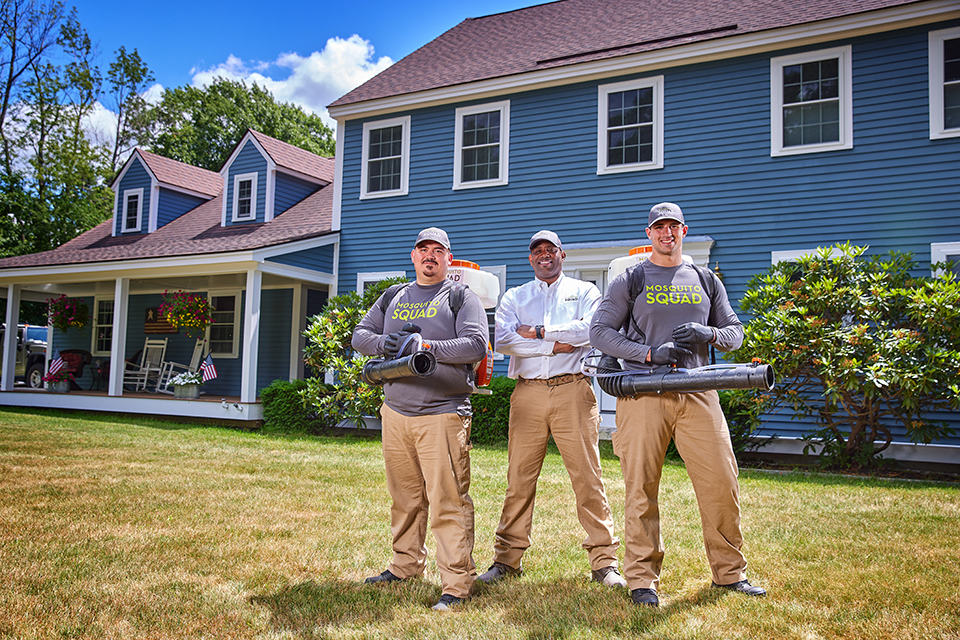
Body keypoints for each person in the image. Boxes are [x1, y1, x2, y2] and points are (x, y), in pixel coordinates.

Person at [589, 203, 765, 608]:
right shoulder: (630, 279)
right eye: (658, 227)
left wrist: (709, 332)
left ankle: (730, 573)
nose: (666, 233)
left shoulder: (705, 278)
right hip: (644, 393)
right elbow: (600, 333)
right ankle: (641, 580)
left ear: (684, 230)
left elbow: (735, 333)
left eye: (673, 227)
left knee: (721, 482)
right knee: (641, 489)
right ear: (649, 233)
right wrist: (650, 353)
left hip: (699, 391)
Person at [478, 230, 626, 589]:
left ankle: (604, 562)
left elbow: (591, 329)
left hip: (572, 389)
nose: (544, 256)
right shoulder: (515, 295)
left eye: (551, 250)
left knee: (588, 478)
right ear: (530, 259)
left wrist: (541, 332)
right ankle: (507, 560)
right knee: (519, 479)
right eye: (537, 252)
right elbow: (504, 339)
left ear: (562, 254)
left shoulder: (585, 291)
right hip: (527, 393)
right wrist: (555, 345)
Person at [352, 227, 489, 612]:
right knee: (405, 498)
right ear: (413, 256)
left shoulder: (461, 296)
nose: (430, 256)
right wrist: (386, 344)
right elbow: (360, 335)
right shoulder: (395, 295)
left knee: (448, 501)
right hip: (395, 412)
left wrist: (425, 346)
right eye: (423, 249)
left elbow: (476, 344)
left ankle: (457, 584)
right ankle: (404, 565)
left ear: (449, 258)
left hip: (442, 414)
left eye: (438, 251)